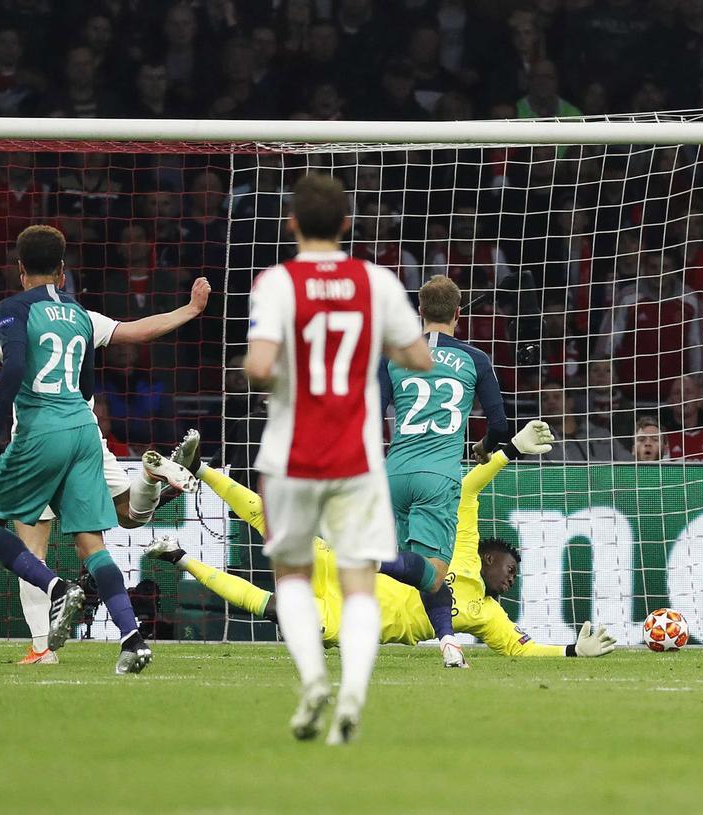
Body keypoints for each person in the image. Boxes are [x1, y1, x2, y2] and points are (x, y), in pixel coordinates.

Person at [0, 273, 210, 664]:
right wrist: (190, 310)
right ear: (62, 273)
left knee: (26, 548)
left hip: (37, 443)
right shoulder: (81, 316)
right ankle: (133, 630)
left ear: (21, 272)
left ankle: (42, 646)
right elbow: (138, 331)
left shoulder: (13, 319)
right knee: (120, 526)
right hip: (85, 435)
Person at [243, 172, 432, 744]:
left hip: (291, 456)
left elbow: (258, 367)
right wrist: (382, 342)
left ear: (292, 224)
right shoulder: (376, 281)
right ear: (347, 223)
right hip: (357, 457)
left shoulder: (277, 283)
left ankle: (312, 680)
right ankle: (353, 690)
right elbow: (419, 357)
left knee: (292, 576)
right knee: (358, 582)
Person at [149, 429, 616, 659]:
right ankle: (202, 468)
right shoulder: (463, 547)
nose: (511, 580)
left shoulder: (487, 615)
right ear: (489, 558)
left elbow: (520, 649)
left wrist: (571, 652)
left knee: (272, 607)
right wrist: (507, 453)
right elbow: (468, 490)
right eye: (510, 569)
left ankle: (180, 557)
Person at [378, 274, 512, 668]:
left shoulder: (392, 358)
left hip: (394, 474)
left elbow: (371, 414)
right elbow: (500, 427)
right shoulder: (474, 359)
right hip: (437, 478)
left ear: (419, 311)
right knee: (434, 571)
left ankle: (448, 643)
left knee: (424, 573)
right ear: (458, 313)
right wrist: (483, 448)